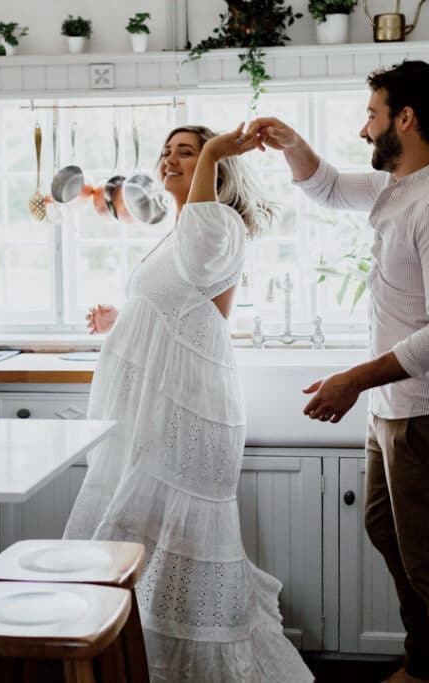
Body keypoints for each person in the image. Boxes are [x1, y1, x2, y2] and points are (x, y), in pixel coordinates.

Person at [247, 60, 429, 683]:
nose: (363, 130)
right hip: (396, 408)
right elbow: (325, 188)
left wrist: (353, 379)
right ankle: (422, 662)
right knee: (387, 529)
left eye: (372, 115)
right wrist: (292, 144)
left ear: (404, 120)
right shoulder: (398, 186)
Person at [64, 123, 314, 683]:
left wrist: (219, 151)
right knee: (146, 541)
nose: (171, 159)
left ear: (216, 166)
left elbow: (200, 267)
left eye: (188, 152)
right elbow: (203, 309)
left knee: (151, 536)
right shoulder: (183, 227)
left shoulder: (215, 221)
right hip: (167, 404)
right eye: (167, 152)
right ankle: (146, 664)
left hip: (188, 410)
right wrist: (121, 319)